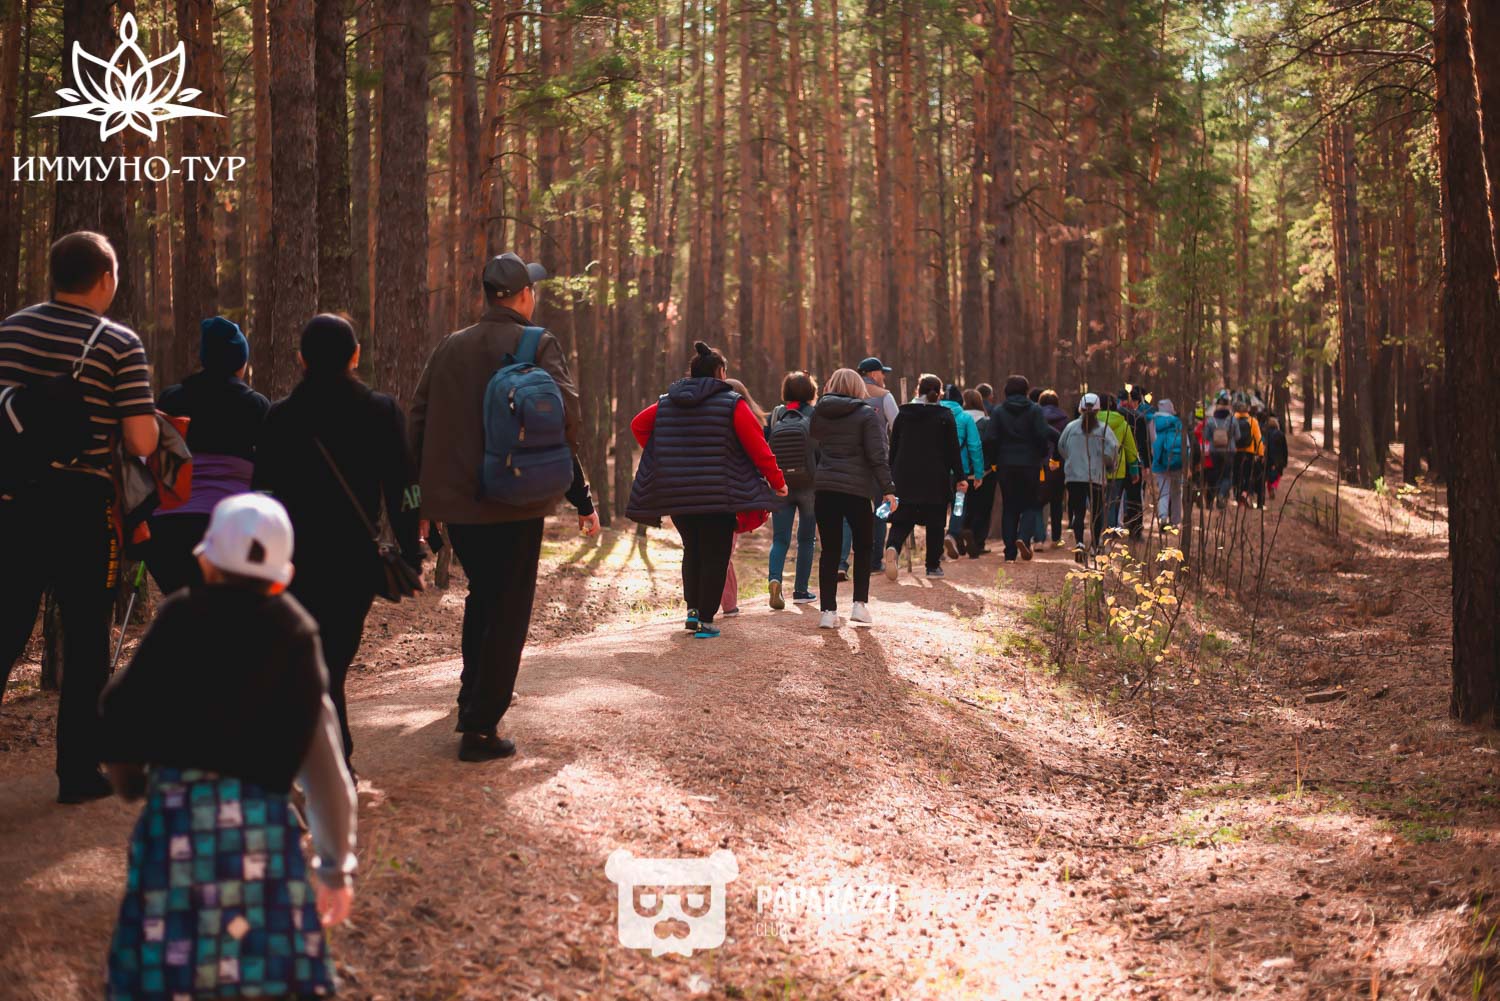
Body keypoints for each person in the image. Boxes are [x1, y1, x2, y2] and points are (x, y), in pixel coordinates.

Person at [99, 494, 356, 1000]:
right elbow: (325, 767)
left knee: (165, 959)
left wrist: (129, 779)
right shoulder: (295, 632)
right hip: (262, 833)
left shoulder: (178, 616)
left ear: (206, 561)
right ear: (283, 576)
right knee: (266, 965)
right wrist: (334, 867)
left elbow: (119, 709)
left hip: (175, 822)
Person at [410, 253, 599, 761]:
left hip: (460, 506)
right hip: (517, 501)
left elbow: (418, 419)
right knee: (509, 610)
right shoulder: (537, 343)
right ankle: (480, 728)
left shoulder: (450, 346)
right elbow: (569, 416)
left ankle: (472, 697)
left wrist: (419, 501)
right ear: (522, 295)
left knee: (484, 596)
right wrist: (565, 479)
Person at [0, 231, 159, 804]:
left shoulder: (9, 331)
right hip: (82, 509)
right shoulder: (117, 342)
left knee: (5, 628)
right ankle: (77, 772)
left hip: (13, 504)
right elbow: (141, 438)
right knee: (88, 638)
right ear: (106, 279)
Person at [254, 313, 423, 772]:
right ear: (355, 356)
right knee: (332, 658)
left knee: (315, 661)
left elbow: (261, 495)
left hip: (293, 561)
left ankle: (317, 756)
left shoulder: (279, 416)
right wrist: (412, 548)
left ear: (301, 359)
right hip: (354, 562)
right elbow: (405, 488)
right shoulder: (380, 411)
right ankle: (333, 759)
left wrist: (260, 559)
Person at [629, 342, 786, 639]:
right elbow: (758, 447)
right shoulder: (732, 404)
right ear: (721, 372)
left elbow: (638, 425)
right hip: (719, 495)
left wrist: (665, 454)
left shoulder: (667, 402)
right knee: (716, 555)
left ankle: (692, 612)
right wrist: (778, 482)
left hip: (678, 494)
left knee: (693, 550)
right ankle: (705, 619)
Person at [147, 316, 270, 595]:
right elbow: (269, 469)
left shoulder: (171, 399)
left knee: (187, 604)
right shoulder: (256, 405)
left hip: (169, 526)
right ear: (241, 362)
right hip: (234, 527)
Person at [810, 368, 895, 628]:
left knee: (830, 550)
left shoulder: (820, 412)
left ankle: (828, 612)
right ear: (858, 386)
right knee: (864, 546)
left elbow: (814, 446)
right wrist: (888, 488)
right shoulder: (866, 413)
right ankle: (859, 605)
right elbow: (877, 455)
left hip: (825, 488)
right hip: (857, 489)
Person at [883, 374, 963, 581]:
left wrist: (890, 475)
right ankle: (932, 566)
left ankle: (893, 547)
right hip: (935, 478)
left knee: (902, 519)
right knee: (935, 522)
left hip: (904, 476)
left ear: (917, 391)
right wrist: (960, 476)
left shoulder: (903, 413)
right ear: (939, 393)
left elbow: (894, 448)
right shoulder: (945, 415)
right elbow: (953, 450)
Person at [984, 375, 1057, 562]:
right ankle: (1023, 538)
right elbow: (1042, 434)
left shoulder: (998, 411)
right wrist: (1041, 454)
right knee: (1031, 504)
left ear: (1006, 390)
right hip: (1030, 464)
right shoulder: (1034, 410)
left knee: (1009, 507)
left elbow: (990, 438)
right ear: (1026, 390)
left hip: (1005, 465)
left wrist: (994, 460)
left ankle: (1010, 552)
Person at [837, 357, 899, 578]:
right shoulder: (884, 396)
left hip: (848, 460)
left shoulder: (844, 395)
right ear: (873, 374)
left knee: (846, 512)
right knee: (881, 509)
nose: (884, 377)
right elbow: (898, 426)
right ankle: (874, 561)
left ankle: (842, 562)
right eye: (882, 373)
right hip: (877, 461)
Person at [766, 371, 819, 609]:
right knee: (806, 539)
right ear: (811, 391)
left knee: (780, 539)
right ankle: (801, 591)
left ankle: (775, 579)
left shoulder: (777, 414)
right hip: (809, 485)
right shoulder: (815, 415)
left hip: (781, 485)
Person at [719, 378, 768, 617]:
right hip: (738, 495)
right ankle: (727, 604)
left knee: (721, 551)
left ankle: (723, 604)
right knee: (724, 552)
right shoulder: (750, 420)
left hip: (729, 494)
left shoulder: (733, 422)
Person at [1057, 393, 1119, 562]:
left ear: (1080, 409)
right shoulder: (1104, 429)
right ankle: (1095, 544)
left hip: (1074, 477)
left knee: (1078, 511)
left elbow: (1061, 447)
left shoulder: (1070, 428)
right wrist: (1109, 466)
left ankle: (1079, 543)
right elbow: (1113, 450)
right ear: (1098, 410)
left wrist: (1072, 460)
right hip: (1096, 477)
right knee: (1096, 512)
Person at [939, 383, 983, 556]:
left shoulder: (935, 415)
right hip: (960, 471)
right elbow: (975, 446)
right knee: (959, 504)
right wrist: (978, 473)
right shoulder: (965, 418)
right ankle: (952, 534)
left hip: (938, 471)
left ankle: (936, 546)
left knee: (938, 508)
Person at [1098, 393, 1141, 535]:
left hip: (1094, 469)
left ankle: (1097, 533)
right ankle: (1109, 534)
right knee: (1111, 504)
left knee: (1097, 504)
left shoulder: (1090, 423)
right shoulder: (1123, 424)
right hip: (1117, 470)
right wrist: (1134, 471)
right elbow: (1131, 450)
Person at [960, 388, 996, 557]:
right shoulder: (987, 422)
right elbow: (992, 445)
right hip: (984, 472)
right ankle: (978, 541)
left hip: (961, 472)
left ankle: (961, 533)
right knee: (983, 508)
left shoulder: (958, 420)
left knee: (963, 506)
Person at [1038, 389, 1071, 548]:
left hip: (1039, 464)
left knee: (1038, 501)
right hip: (1059, 464)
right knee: (1057, 502)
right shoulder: (1065, 420)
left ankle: (1039, 538)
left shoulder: (1035, 417)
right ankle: (1056, 538)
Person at [1150, 399, 1185, 530]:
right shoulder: (1178, 422)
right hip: (1177, 460)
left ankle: (1163, 517)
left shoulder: (1153, 421)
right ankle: (1175, 521)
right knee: (1176, 492)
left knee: (1164, 491)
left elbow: (1152, 440)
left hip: (1160, 460)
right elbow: (1185, 442)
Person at [1203, 393, 1237, 508]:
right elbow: (1238, 436)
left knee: (1216, 475)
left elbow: (1206, 436)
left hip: (1214, 451)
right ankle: (1222, 495)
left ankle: (1215, 497)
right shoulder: (1232, 420)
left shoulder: (1211, 421)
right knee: (1227, 476)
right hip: (1229, 451)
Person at [1232, 397, 1264, 507]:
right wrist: (1260, 453)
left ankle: (1238, 496)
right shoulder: (1253, 421)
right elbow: (1258, 438)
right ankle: (1245, 493)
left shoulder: (1233, 420)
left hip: (1236, 452)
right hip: (1249, 452)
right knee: (1248, 474)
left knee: (1237, 474)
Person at [1263, 416, 1289, 500]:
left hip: (1268, 457)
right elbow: (1284, 448)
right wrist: (1285, 460)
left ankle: (1270, 489)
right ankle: (1274, 486)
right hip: (1279, 458)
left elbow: (1264, 446)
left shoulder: (1266, 434)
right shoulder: (1281, 434)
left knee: (1268, 475)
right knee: (1278, 474)